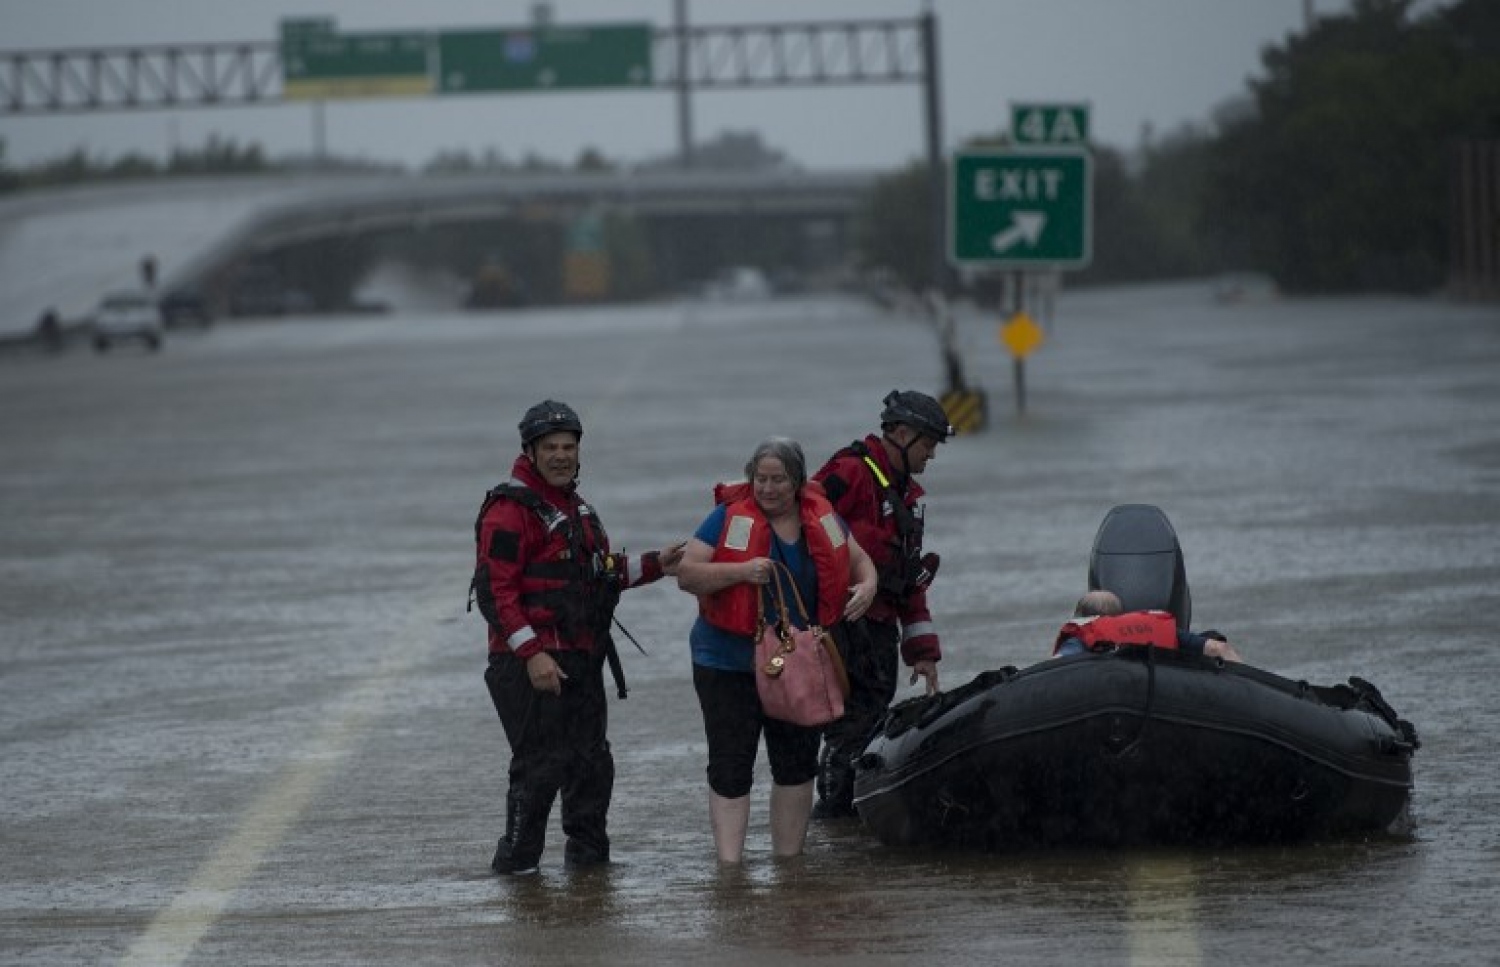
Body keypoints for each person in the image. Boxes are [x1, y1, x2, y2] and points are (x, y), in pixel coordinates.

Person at [470, 400, 685, 876]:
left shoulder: (577, 507)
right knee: (540, 768)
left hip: (583, 657)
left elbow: (598, 573)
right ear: (531, 450)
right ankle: (517, 873)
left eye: (569, 446)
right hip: (529, 664)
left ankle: (589, 875)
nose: (562, 455)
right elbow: (496, 593)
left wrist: (654, 565)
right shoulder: (509, 510)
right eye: (551, 447)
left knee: (591, 764)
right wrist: (532, 654)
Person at [676, 437, 879, 863]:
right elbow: (688, 573)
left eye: (777, 480)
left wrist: (867, 587)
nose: (767, 489)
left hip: (798, 662)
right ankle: (731, 869)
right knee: (731, 764)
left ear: (798, 481)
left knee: (796, 763)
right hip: (726, 662)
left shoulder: (822, 517)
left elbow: (860, 560)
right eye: (760, 479)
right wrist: (741, 571)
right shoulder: (726, 518)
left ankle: (789, 866)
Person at [808, 389, 953, 819]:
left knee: (870, 724)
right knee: (848, 731)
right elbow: (801, 522)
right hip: (842, 627)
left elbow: (909, 581)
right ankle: (835, 817)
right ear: (901, 433)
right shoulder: (850, 473)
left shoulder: (903, 496)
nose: (931, 455)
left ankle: (847, 837)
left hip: (878, 635)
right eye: (927, 444)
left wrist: (923, 654)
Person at [1053, 590, 1243, 661]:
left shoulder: (1080, 636)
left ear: (1079, 616)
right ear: (1121, 616)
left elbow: (1058, 664)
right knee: (1212, 635)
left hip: (1108, 703)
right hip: (1161, 699)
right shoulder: (1157, 628)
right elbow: (1219, 648)